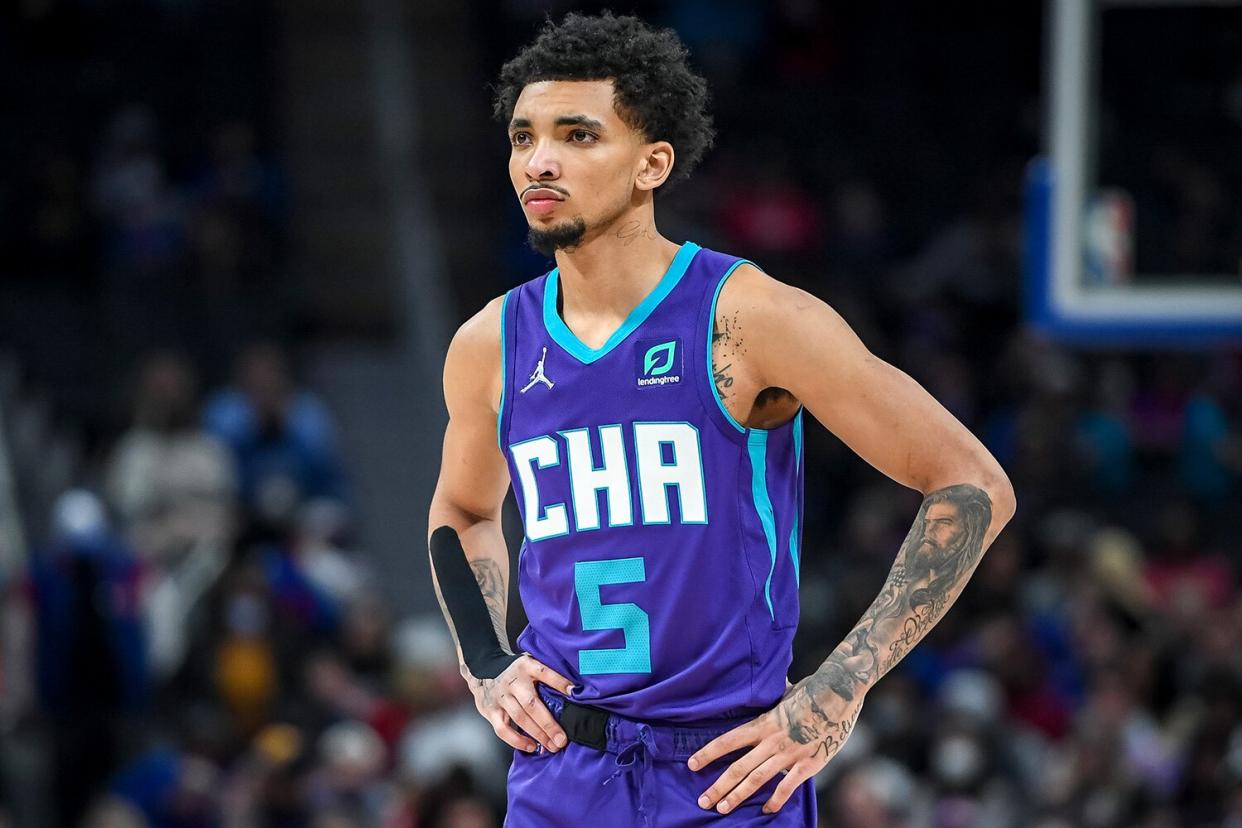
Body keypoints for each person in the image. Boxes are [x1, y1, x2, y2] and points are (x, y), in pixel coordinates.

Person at [427, 12, 1016, 827]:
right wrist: (485, 662)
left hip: (727, 773)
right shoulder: (490, 342)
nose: (541, 161)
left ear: (652, 163)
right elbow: (463, 511)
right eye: (524, 138)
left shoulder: (748, 318)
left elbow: (972, 483)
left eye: (578, 135)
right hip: (561, 773)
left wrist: (839, 688)